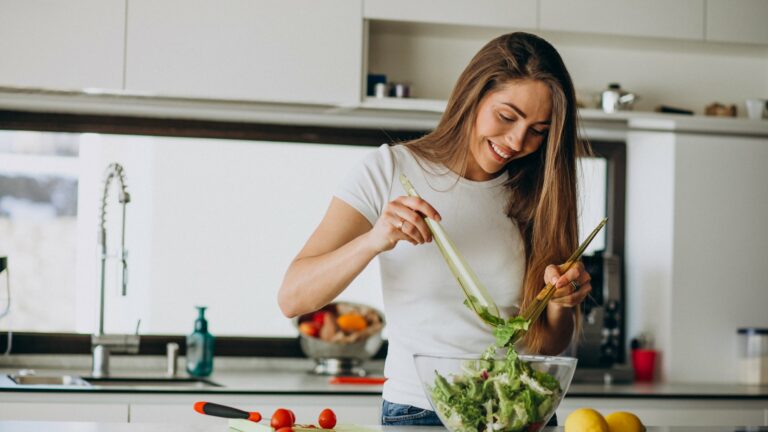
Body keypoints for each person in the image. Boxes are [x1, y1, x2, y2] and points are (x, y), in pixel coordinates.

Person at [278, 32, 592, 426]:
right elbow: (293, 297)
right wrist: (374, 240)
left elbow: (546, 344)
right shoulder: (389, 171)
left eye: (538, 130)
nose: (517, 141)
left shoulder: (541, 193)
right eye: (507, 117)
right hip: (420, 411)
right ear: (472, 97)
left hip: (520, 411)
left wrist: (562, 302)